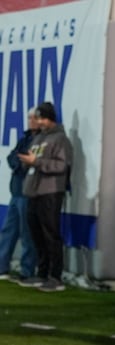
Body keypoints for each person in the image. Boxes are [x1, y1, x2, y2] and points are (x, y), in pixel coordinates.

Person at [18, 101, 73, 292]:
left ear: (50, 118)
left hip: (50, 191)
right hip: (34, 191)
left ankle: (55, 276)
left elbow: (61, 166)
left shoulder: (60, 139)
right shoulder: (38, 138)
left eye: (42, 118)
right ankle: (41, 273)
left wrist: (37, 162)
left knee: (51, 234)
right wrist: (27, 162)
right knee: (37, 233)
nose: (38, 122)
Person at [0, 108, 39, 281]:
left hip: (27, 192)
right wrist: (19, 162)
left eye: (34, 118)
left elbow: (27, 163)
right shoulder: (24, 139)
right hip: (16, 191)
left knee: (27, 233)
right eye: (29, 117)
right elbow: (12, 158)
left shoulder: (40, 140)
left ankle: (27, 271)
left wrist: (19, 161)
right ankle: (2, 266)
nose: (31, 121)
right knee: (9, 231)